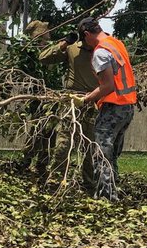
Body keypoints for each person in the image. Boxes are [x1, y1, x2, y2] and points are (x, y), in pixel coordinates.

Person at [37, 17, 101, 192]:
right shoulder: (73, 49)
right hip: (72, 100)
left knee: (91, 146)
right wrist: (65, 43)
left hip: (94, 102)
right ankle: (55, 182)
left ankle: (89, 184)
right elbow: (43, 58)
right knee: (63, 143)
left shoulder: (102, 49)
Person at [78, 26, 137, 201]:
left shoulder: (100, 52)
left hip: (113, 107)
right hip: (127, 106)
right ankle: (114, 190)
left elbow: (108, 86)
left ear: (87, 34)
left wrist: (86, 99)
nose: (86, 45)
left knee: (102, 154)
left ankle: (106, 197)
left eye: (84, 40)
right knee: (111, 154)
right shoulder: (116, 44)